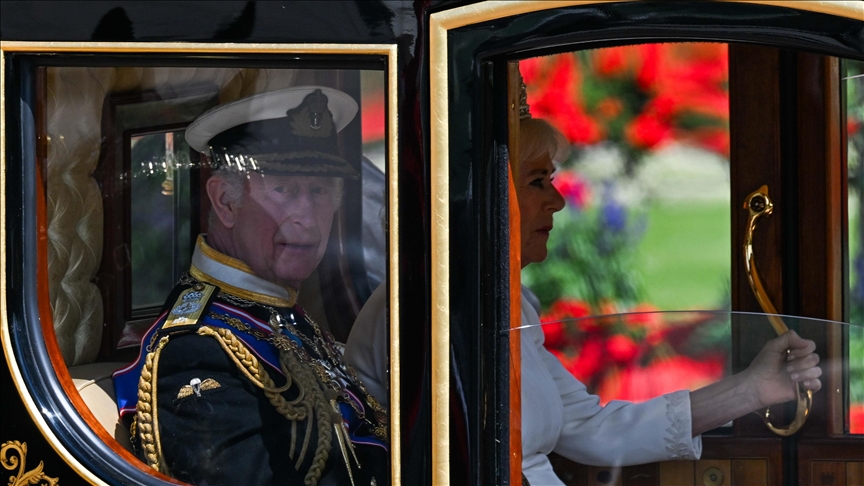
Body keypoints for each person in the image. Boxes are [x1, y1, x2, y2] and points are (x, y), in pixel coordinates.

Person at [345, 116, 822, 485]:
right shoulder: (426, 310)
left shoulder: (506, 302)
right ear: (479, 198)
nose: (557, 202)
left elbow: (594, 429)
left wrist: (756, 389)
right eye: (537, 182)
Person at [113, 86, 388, 486]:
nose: (307, 219)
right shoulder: (195, 349)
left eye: (320, 191)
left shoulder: (282, 314)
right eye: (284, 190)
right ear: (225, 201)